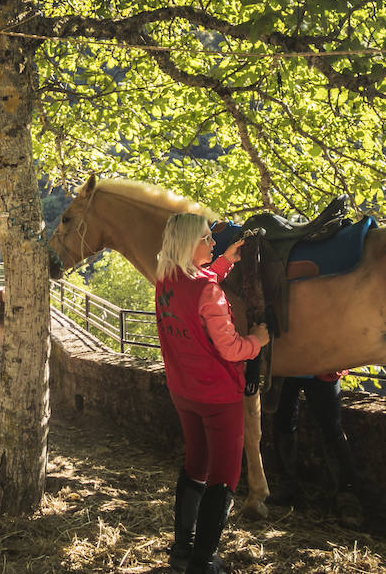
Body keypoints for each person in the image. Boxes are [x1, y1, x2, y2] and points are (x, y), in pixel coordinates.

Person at [155, 212, 271, 574]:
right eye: (206, 239)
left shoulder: (165, 280)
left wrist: (223, 263)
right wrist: (258, 341)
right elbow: (232, 348)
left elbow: (196, 288)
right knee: (224, 476)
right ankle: (203, 561)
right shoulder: (209, 292)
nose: (212, 243)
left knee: (195, 465)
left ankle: (182, 550)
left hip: (183, 390)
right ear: (189, 244)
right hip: (218, 396)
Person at [270, 372, 365, 527]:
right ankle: (286, 485)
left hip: (323, 367)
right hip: (286, 367)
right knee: (283, 422)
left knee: (331, 429)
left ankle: (348, 499)